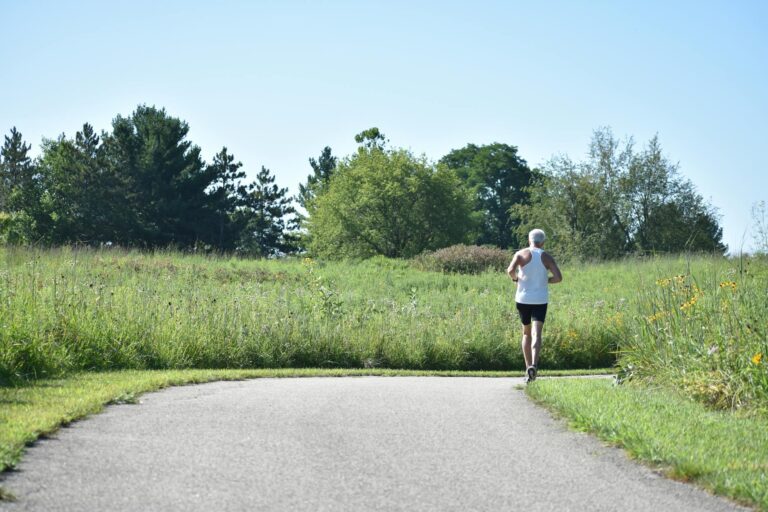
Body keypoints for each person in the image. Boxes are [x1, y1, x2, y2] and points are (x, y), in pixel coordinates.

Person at [507, 229, 562, 383]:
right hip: (540, 300)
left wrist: (516, 279)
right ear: (543, 242)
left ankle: (527, 368)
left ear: (529, 240)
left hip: (523, 299)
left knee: (526, 333)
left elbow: (510, 270)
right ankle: (534, 366)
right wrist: (546, 281)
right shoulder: (546, 257)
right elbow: (558, 278)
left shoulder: (520, 254)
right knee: (537, 334)